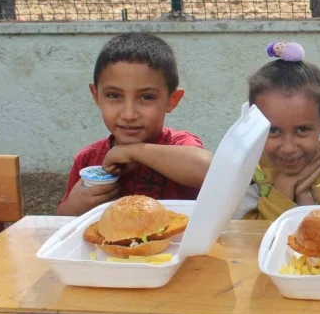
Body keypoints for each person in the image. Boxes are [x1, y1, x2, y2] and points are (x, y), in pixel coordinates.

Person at [57, 33, 213, 216]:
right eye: (114, 95)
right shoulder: (88, 159)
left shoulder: (178, 145)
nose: (129, 114)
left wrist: (133, 152)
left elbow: (208, 170)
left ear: (172, 100)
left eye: (147, 97)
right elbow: (60, 226)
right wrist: (74, 207)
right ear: (96, 95)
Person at [237, 42, 320, 220]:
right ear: (254, 123)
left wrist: (304, 197)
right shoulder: (246, 168)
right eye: (273, 130)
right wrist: (284, 185)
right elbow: (244, 238)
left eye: (302, 130)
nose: (288, 148)